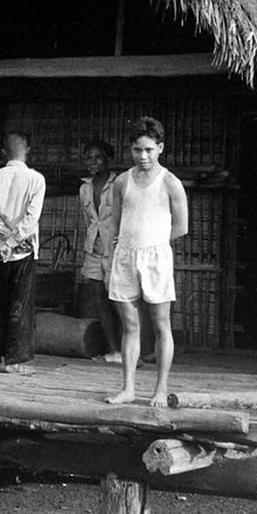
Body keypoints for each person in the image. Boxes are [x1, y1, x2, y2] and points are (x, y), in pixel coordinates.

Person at [105, 117, 189, 407]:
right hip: (125, 256)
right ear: (130, 149)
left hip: (156, 257)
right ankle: (128, 388)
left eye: (149, 150)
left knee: (161, 324)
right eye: (137, 150)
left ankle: (160, 390)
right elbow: (115, 222)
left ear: (160, 148)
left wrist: (154, 247)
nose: (143, 156)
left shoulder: (170, 183)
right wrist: (115, 254)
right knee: (130, 325)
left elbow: (181, 227)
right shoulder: (121, 182)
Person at [0, 131, 46, 376]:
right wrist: (15, 238)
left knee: (2, 301)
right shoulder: (35, 179)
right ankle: (15, 361)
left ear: (3, 152)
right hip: (23, 250)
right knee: (21, 304)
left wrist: (5, 236)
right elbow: (31, 219)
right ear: (28, 150)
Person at [77, 139, 122, 364]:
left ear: (107, 159)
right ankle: (114, 351)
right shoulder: (84, 188)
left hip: (115, 250)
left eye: (98, 158)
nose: (92, 163)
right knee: (101, 301)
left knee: (121, 300)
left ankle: (133, 351)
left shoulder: (119, 185)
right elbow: (90, 222)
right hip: (93, 250)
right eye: (89, 158)